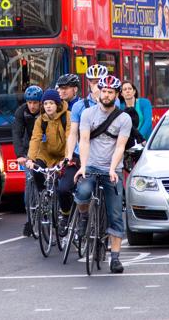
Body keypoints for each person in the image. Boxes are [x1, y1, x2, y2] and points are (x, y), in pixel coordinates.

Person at [73, 75, 131, 273]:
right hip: (91, 166)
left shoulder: (124, 118)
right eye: (103, 91)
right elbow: (85, 141)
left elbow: (120, 146)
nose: (106, 95)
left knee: (115, 214)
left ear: (116, 95)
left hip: (111, 169)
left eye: (110, 92)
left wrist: (113, 169)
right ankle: (83, 217)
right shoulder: (88, 114)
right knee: (82, 193)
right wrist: (83, 166)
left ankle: (115, 258)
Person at [62, 64, 110, 232]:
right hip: (82, 155)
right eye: (92, 82)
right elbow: (73, 134)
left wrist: (100, 102)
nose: (95, 85)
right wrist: (69, 156)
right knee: (73, 189)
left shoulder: (114, 103)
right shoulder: (78, 106)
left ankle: (109, 226)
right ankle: (82, 217)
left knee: (117, 195)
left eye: (99, 82)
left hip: (105, 156)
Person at [26, 89, 71, 193]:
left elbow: (70, 138)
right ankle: (42, 194)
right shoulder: (40, 120)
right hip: (46, 154)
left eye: (51, 103)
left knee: (64, 186)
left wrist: (66, 158)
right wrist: (30, 159)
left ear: (58, 104)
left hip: (63, 155)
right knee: (36, 171)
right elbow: (35, 139)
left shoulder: (67, 116)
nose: (48, 106)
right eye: (45, 103)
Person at [12, 85, 43, 236]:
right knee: (29, 181)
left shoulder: (46, 109)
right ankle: (30, 219)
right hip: (28, 149)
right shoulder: (21, 112)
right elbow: (17, 133)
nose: (32, 106)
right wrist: (19, 155)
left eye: (35, 103)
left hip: (44, 148)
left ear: (40, 103)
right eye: (29, 102)